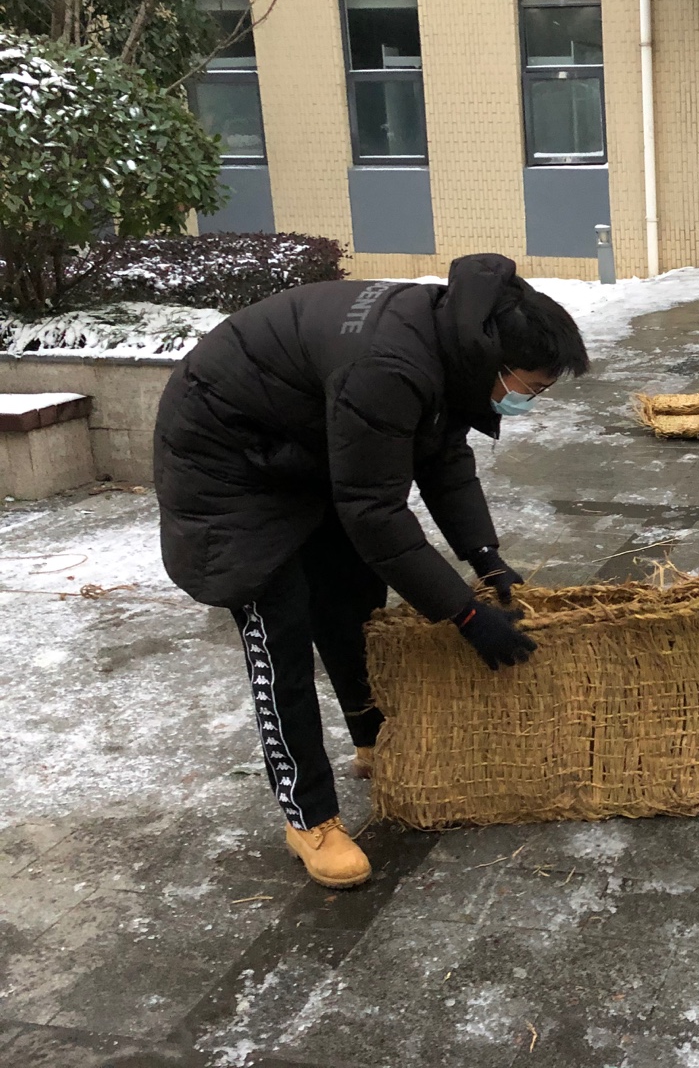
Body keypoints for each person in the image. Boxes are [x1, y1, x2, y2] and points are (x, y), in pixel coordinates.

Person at [153, 253, 588, 888]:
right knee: (279, 629)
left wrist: (486, 559)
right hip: (226, 462)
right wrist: (466, 615)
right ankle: (309, 818)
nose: (530, 400)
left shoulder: (450, 344)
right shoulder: (389, 366)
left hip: (303, 447)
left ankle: (372, 744)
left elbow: (441, 459)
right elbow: (377, 515)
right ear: (496, 359)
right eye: (532, 387)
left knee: (353, 599)